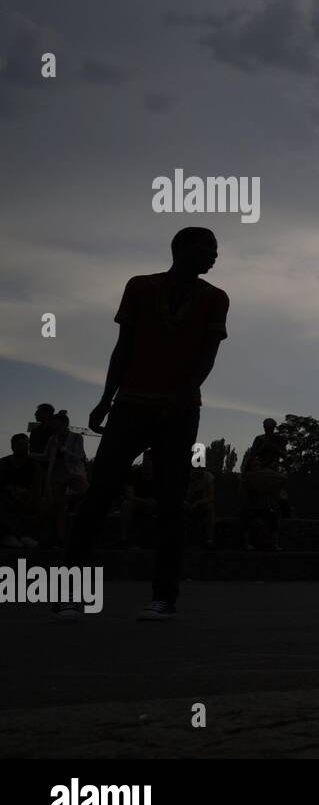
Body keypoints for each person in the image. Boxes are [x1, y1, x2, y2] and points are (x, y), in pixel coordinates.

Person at [58, 226, 229, 621]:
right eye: (210, 248)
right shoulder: (139, 287)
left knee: (172, 501)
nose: (215, 256)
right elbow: (124, 347)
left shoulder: (216, 299)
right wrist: (105, 399)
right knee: (99, 495)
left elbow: (206, 357)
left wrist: (181, 397)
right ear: (183, 248)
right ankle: (69, 593)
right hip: (131, 404)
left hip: (180, 410)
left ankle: (164, 598)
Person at [35, 411, 88, 547]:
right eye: (53, 427)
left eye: (57, 426)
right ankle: (61, 539)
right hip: (57, 475)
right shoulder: (52, 439)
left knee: (86, 495)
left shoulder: (76, 437)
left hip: (74, 473)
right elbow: (46, 456)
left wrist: (62, 449)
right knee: (58, 508)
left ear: (65, 425)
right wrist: (30, 455)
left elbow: (79, 456)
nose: (55, 429)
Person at [0, 433, 40, 548]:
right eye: (20, 444)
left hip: (26, 499)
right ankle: (7, 537)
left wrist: (27, 495)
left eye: (26, 444)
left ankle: (24, 537)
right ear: (13, 447)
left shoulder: (34, 466)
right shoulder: (3, 464)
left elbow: (37, 488)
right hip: (6, 498)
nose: (24, 447)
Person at [122, 452, 158, 548]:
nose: (147, 462)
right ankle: (124, 539)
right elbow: (129, 495)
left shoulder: (161, 475)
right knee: (126, 505)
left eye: (149, 460)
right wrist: (145, 502)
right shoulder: (134, 473)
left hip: (155, 504)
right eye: (145, 459)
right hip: (137, 503)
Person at [184, 464, 216, 547]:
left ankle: (209, 540)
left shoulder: (208, 477)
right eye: (196, 468)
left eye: (200, 468)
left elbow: (211, 497)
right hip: (188, 505)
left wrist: (198, 502)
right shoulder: (188, 477)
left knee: (210, 508)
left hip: (202, 506)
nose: (198, 471)